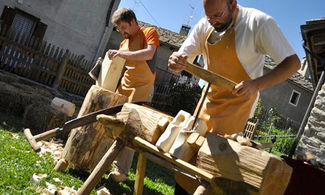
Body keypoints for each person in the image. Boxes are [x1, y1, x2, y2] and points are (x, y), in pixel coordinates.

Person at [168, 0, 300, 193]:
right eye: (209, 16)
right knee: (186, 161)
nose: (212, 21)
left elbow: (293, 63)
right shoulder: (206, 24)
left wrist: (256, 85)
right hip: (208, 102)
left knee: (213, 169)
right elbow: (183, 58)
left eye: (218, 15)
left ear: (233, 4)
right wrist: (176, 61)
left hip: (236, 108)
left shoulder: (258, 22)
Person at [107, 8, 159, 182]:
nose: (122, 32)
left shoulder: (149, 32)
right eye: (119, 29)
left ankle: (121, 172)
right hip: (125, 85)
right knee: (111, 121)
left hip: (142, 87)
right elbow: (120, 67)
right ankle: (103, 159)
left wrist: (121, 53)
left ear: (133, 22)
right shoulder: (124, 43)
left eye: (124, 27)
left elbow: (149, 53)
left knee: (129, 128)